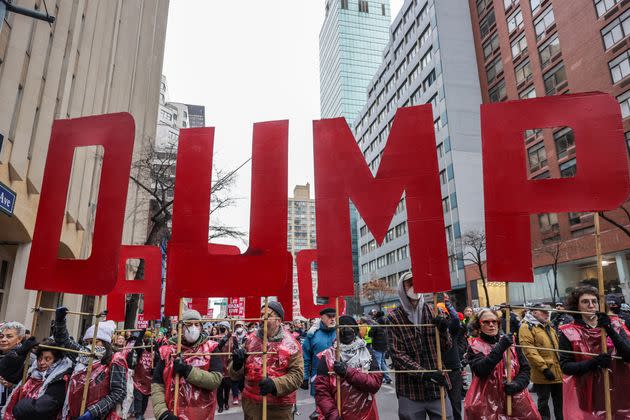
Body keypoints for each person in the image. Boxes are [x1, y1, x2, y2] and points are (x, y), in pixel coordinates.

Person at [387, 271, 453, 420]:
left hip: (437, 387)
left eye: (417, 282)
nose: (414, 287)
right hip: (410, 390)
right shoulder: (394, 317)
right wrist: (425, 373)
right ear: (402, 288)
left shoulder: (435, 311)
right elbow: (398, 355)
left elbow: (446, 346)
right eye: (409, 283)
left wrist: (443, 331)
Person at [558, 286, 630, 417]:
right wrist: (594, 362)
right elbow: (565, 367)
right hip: (589, 394)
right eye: (585, 302)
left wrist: (609, 329)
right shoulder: (567, 331)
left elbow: (628, 355)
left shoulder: (616, 325)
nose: (591, 305)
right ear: (577, 306)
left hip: (619, 391)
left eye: (594, 301)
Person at [229, 301, 303, 420]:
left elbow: (297, 376)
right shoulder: (250, 340)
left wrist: (275, 384)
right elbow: (233, 374)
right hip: (252, 406)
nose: (262, 318)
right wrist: (236, 366)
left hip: (279, 408)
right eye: (261, 315)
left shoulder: (292, 344)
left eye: (267, 316)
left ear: (279, 321)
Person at [464, 308, 540, 419]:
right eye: (486, 322)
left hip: (514, 400)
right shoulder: (474, 346)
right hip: (486, 403)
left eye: (494, 321)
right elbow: (481, 370)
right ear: (478, 325)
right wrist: (500, 347)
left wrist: (517, 384)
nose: (491, 325)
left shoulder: (511, 343)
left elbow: (525, 369)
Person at [53, 307, 127, 420]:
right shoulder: (82, 354)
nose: (90, 346)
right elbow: (63, 341)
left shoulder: (115, 360)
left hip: (98, 416)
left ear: (105, 342)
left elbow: (118, 392)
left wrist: (93, 412)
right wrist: (60, 321)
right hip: (72, 414)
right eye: (88, 342)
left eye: (95, 342)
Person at [151, 309, 224, 420]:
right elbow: (157, 384)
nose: (193, 328)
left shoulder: (211, 348)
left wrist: (187, 371)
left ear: (201, 327)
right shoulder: (167, 351)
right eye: (189, 324)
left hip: (203, 415)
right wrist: (162, 413)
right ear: (180, 328)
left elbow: (215, 380)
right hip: (173, 413)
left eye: (196, 324)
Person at [315, 315, 383, 419]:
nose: (346, 331)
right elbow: (322, 392)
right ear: (337, 332)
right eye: (342, 329)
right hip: (339, 415)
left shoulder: (367, 353)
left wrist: (348, 372)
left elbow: (375, 384)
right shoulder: (328, 356)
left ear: (355, 331)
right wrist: (333, 415)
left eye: (349, 328)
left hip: (366, 414)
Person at [2, 339, 73, 419]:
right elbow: (5, 372)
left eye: (47, 359)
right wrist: (19, 353)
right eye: (40, 358)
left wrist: (20, 408)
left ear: (57, 361)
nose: (42, 362)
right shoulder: (31, 372)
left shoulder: (60, 379)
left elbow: (44, 407)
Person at [519, 303, 563, 420]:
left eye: (547, 311)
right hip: (542, 372)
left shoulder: (548, 325)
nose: (547, 313)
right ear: (534, 312)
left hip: (558, 370)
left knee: (560, 402)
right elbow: (529, 351)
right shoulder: (526, 327)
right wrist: (544, 368)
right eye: (543, 311)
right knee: (543, 402)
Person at [439, 297, 466, 420]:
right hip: (437, 369)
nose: (440, 315)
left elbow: (456, 318)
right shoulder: (430, 328)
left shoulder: (452, 327)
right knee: (440, 405)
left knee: (455, 402)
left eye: (442, 312)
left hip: (453, 369)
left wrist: (448, 304)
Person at [302, 307, 336, 397]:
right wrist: (305, 377)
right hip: (318, 377)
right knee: (321, 407)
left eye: (334, 316)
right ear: (321, 318)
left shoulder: (340, 332)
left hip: (338, 376)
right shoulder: (312, 335)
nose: (332, 319)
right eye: (329, 316)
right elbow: (305, 357)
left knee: (338, 408)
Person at [0, 322, 29, 407]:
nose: (3, 339)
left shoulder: (27, 359)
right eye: (1, 336)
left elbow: (30, 388)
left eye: (9, 336)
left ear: (19, 339)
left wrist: (12, 386)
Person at [131, 331, 153, 420]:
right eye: (148, 343)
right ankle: (138, 416)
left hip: (148, 384)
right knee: (138, 401)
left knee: (144, 403)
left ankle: (141, 415)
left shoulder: (156, 355)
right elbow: (137, 345)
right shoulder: (141, 352)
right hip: (138, 382)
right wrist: (142, 332)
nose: (149, 344)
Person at [214, 321, 233, 413]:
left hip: (228, 367)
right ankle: (220, 405)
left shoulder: (233, 338)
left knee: (227, 388)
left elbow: (236, 349)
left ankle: (226, 403)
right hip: (219, 366)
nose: (221, 328)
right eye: (220, 326)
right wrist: (226, 337)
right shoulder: (216, 338)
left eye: (223, 326)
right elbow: (217, 347)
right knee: (219, 389)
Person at [367, 310, 391, 384]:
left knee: (378, 363)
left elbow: (370, 334)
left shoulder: (376, 324)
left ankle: (380, 379)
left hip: (377, 346)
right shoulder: (387, 322)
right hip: (385, 345)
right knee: (383, 362)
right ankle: (387, 377)